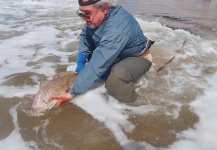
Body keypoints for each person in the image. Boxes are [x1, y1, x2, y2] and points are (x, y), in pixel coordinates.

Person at [51, 0, 154, 105]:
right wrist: (80, 61)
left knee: (116, 78)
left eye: (87, 13)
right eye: (81, 13)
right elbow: (85, 36)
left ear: (104, 8)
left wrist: (72, 93)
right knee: (91, 68)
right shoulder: (95, 17)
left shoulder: (117, 28)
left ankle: (131, 108)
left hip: (138, 57)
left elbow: (98, 63)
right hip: (114, 54)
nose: (83, 18)